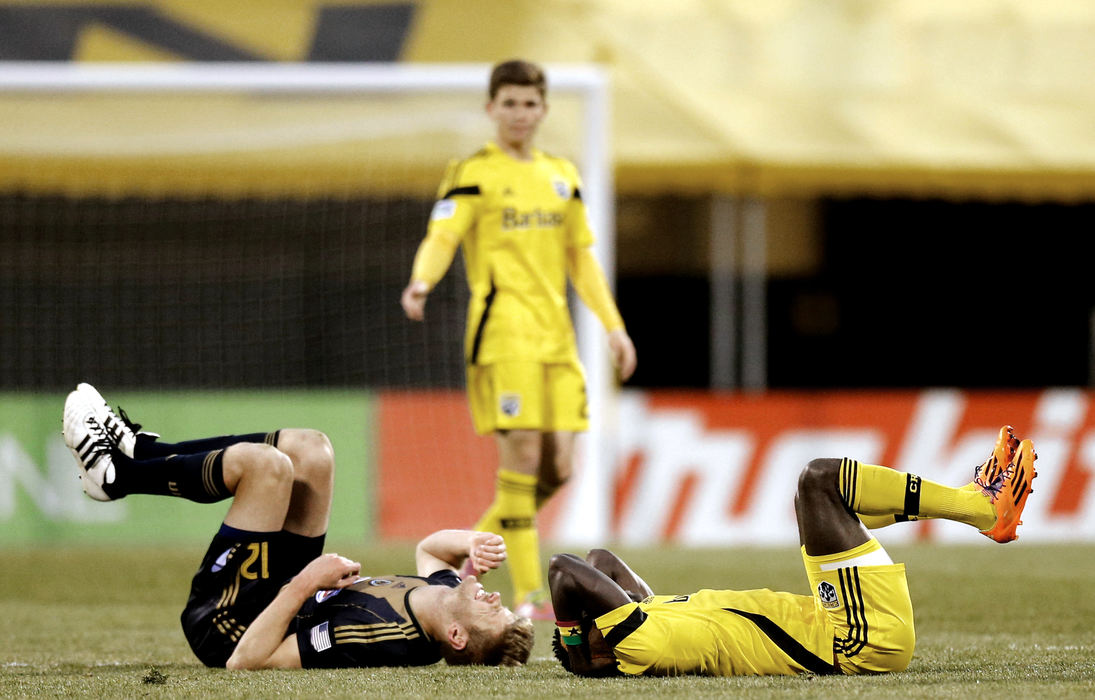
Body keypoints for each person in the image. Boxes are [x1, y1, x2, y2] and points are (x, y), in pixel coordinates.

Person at [62, 382, 534, 669]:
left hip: (235, 622)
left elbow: (248, 661)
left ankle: (117, 476)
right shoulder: (443, 600)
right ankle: (141, 451)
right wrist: (472, 539)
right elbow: (432, 550)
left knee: (265, 467)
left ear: (456, 637)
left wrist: (307, 580)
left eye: (495, 613)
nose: (497, 597)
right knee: (313, 450)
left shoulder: (379, 638)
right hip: (284, 588)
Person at [400, 58, 637, 619]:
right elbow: (444, 234)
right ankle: (528, 597)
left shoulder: (562, 175)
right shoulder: (473, 172)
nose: (520, 113)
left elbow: (582, 261)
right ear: (491, 109)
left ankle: (469, 550)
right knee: (524, 460)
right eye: (509, 103)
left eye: (529, 103)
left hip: (557, 341)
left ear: (543, 110)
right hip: (502, 339)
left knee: (559, 470)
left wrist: (613, 326)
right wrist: (421, 280)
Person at [548, 426, 1037, 677]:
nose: (608, 600)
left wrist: (583, 632)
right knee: (819, 480)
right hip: (857, 640)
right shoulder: (640, 646)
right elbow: (564, 571)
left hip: (847, 622)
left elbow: (599, 559)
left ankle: (971, 503)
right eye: (599, 617)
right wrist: (572, 646)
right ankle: (979, 509)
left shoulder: (646, 617)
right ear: (599, 642)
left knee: (825, 501)